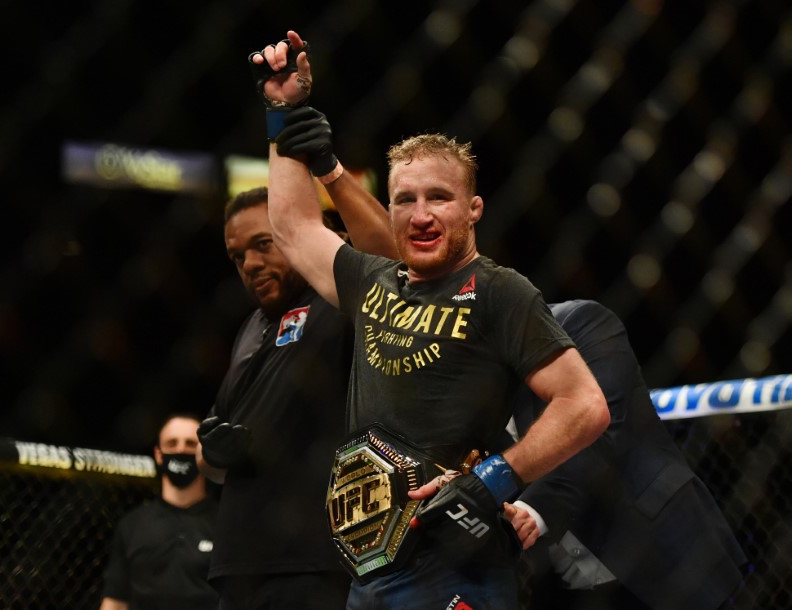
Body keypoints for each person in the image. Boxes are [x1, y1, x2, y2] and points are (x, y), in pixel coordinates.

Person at [255, 31, 611, 609]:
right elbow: (294, 228)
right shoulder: (372, 280)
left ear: (473, 209)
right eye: (405, 200)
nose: (420, 215)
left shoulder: (499, 291)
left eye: (439, 198)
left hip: (454, 564)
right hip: (370, 565)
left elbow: (585, 405)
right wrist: (281, 115)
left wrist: (494, 479)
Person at [195, 129, 397, 607]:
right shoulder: (250, 328)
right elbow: (215, 443)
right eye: (237, 256)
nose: (250, 263)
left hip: (312, 556)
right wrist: (213, 454)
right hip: (239, 561)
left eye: (264, 244)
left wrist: (328, 171)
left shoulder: (336, 298)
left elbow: (389, 260)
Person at [502, 299, 747, 610]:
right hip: (574, 585)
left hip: (664, 547)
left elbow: (597, 435)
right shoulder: (464, 388)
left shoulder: (577, 322)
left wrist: (527, 512)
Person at [100, 413, 219, 610]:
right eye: (172, 443)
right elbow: (115, 600)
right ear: (158, 455)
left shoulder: (225, 524)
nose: (181, 450)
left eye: (190, 443)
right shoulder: (133, 524)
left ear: (203, 453)